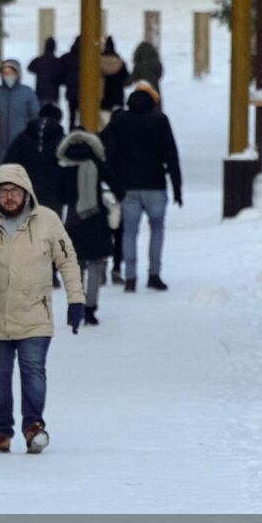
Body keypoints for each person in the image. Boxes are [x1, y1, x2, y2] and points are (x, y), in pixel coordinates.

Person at [0, 165, 84, 454]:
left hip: (35, 314)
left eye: (15, 191)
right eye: (4, 191)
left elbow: (67, 260)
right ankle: (1, 432)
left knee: (33, 372)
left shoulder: (47, 220)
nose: (9, 197)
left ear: (26, 193)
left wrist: (76, 300)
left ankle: (33, 426)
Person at [100, 81, 182, 292]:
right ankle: (154, 274)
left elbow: (108, 149)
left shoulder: (120, 121)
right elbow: (171, 154)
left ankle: (130, 278)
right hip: (155, 183)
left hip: (128, 186)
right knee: (157, 229)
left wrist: (111, 179)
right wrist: (177, 187)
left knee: (129, 231)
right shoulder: (160, 120)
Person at [57, 128, 121, 326]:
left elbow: (61, 195)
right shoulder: (98, 164)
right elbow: (119, 189)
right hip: (96, 219)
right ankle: (90, 308)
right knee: (95, 264)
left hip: (73, 220)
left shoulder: (64, 166)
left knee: (75, 265)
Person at [2, 103, 65, 217]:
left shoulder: (23, 135)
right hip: (54, 189)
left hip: (26, 186)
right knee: (51, 224)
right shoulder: (61, 138)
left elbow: (10, 160)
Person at [0, 59, 39, 172]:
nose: (8, 76)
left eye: (11, 73)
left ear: (18, 74)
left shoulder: (27, 93)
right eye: (5, 73)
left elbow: (35, 118)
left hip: (21, 144)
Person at [27, 37, 63, 107]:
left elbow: (29, 68)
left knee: (40, 115)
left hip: (40, 93)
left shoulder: (39, 60)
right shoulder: (58, 62)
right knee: (53, 115)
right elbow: (61, 77)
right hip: (54, 95)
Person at [99, 36, 130, 113]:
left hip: (103, 96)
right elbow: (126, 79)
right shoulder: (120, 62)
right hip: (118, 96)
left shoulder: (97, 62)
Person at [59, 36, 82, 130]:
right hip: (84, 91)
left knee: (72, 117)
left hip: (71, 91)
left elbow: (59, 70)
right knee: (84, 117)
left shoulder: (67, 57)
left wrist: (65, 81)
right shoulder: (87, 57)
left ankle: (71, 133)